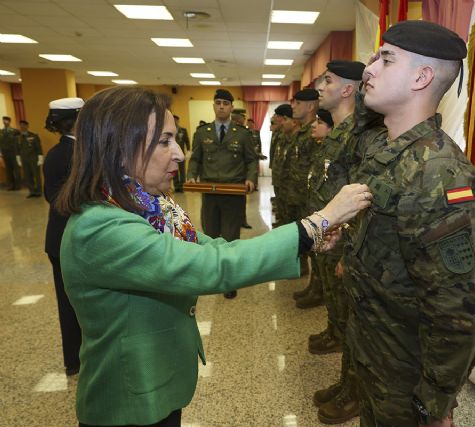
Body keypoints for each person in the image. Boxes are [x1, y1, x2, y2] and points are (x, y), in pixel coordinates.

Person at [55, 86, 372, 427]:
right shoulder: (103, 227)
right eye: (164, 141)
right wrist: (316, 223)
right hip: (130, 401)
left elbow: (214, 248)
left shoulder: (148, 206)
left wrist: (305, 241)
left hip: (157, 383)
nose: (179, 153)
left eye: (175, 139)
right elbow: (213, 267)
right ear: (118, 148)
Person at [344, 21, 475, 427]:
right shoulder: (385, 148)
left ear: (423, 77)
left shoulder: (439, 174)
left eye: (385, 59)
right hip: (375, 351)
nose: (369, 69)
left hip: (406, 374)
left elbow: (458, 312)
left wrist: (433, 402)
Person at [308, 60, 366, 424]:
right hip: (331, 240)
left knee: (354, 323)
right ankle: (346, 383)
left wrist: (350, 251)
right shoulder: (339, 135)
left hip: (345, 245)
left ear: (348, 90)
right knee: (341, 316)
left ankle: (355, 393)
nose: (320, 87)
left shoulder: (358, 137)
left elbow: (361, 200)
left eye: (328, 81)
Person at [186, 89, 257, 299]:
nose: (222, 106)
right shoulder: (202, 132)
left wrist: (251, 178)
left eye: (226, 103)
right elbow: (196, 158)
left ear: (231, 107)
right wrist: (191, 175)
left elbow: (251, 160)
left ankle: (229, 280)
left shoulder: (242, 133)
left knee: (230, 237)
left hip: (233, 192)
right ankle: (213, 275)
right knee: (210, 234)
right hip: (210, 192)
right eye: (218, 102)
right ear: (213, 106)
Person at [43, 98, 85, 377]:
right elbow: (58, 198)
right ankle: (75, 360)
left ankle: (76, 358)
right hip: (68, 240)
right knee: (72, 303)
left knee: (72, 301)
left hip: (66, 239)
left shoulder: (65, 151)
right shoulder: (70, 154)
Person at [288, 88, 320, 291]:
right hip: (298, 196)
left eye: (297, 103)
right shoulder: (301, 131)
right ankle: (312, 284)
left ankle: (317, 287)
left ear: (310, 106)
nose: (293, 106)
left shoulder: (315, 132)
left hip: (309, 198)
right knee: (306, 240)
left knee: (316, 243)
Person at [16, 120, 43, 198]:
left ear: (27, 126)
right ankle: (32, 191)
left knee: (36, 175)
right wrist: (18, 159)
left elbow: (38, 147)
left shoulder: (33, 136)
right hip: (24, 159)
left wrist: (40, 158)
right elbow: (17, 149)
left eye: (24, 125)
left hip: (33, 158)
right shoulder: (18, 137)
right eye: (20, 125)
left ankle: (38, 191)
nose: (22, 127)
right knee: (27, 176)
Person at [0, 115, 20, 190]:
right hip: (5, 153)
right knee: (8, 170)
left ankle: (18, 185)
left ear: (9, 121)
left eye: (6, 120)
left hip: (13, 152)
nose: (5, 122)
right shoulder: (1, 132)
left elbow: (19, 142)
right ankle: (11, 185)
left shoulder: (15, 131)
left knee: (16, 169)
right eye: (3, 120)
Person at [171, 115, 190, 193]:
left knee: (182, 171)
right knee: (174, 171)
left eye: (176, 120)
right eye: (173, 120)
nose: (175, 122)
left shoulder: (183, 130)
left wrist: (188, 151)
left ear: (178, 121)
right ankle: (176, 187)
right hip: (172, 154)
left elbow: (187, 141)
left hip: (181, 154)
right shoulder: (170, 130)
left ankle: (182, 187)